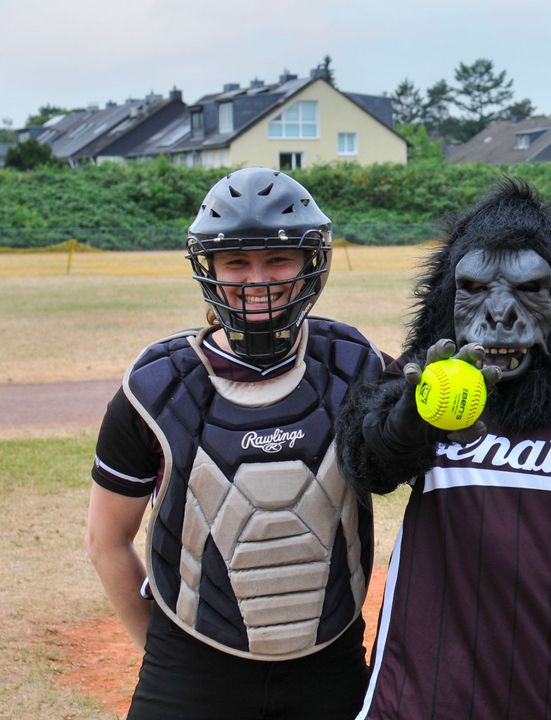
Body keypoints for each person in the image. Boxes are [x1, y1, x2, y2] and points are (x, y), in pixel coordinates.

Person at [335, 178, 551, 719]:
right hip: (416, 704)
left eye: (527, 290)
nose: (499, 314)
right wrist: (411, 417)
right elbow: (369, 461)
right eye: (474, 290)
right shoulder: (425, 381)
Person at [85, 167, 385, 719]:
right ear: (211, 267)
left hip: (328, 662)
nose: (258, 281)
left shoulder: (355, 365)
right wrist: (160, 652)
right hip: (191, 670)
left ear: (309, 262)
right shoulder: (157, 388)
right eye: (237, 262)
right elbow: (107, 541)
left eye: (278, 259)